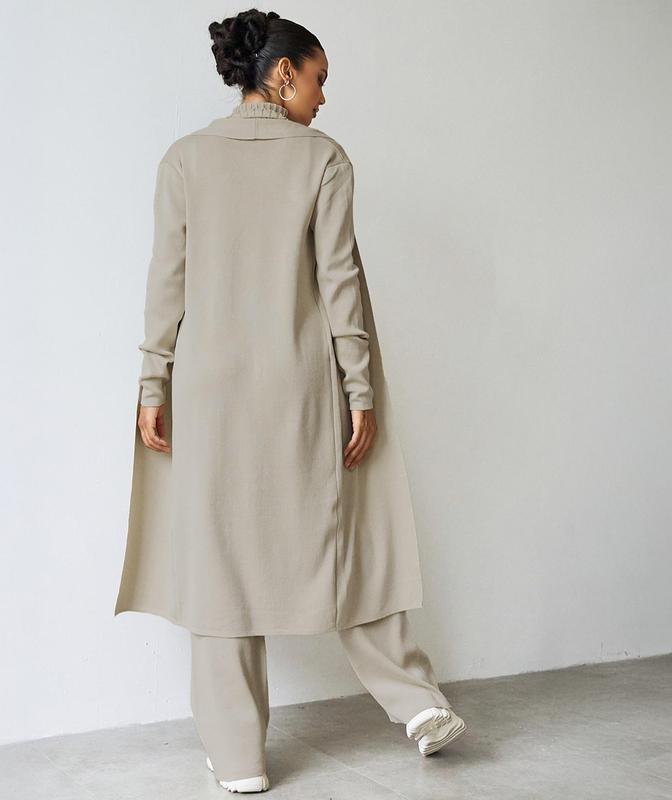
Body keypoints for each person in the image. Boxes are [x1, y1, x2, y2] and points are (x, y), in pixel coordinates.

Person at [114, 8, 467, 793]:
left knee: (220, 564)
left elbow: (165, 283)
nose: (323, 96)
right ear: (281, 74)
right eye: (318, 78)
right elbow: (339, 282)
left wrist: (151, 385)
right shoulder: (324, 159)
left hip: (207, 389)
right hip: (300, 381)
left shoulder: (184, 158)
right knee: (344, 536)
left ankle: (239, 758)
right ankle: (414, 701)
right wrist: (360, 389)